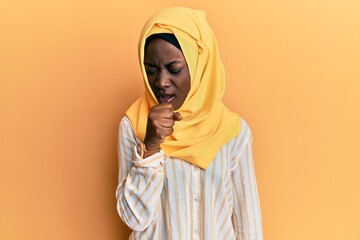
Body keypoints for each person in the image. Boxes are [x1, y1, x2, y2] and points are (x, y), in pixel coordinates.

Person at [116, 6, 263, 240]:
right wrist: (151, 145)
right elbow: (134, 219)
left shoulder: (234, 133)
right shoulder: (133, 125)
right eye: (151, 70)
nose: (161, 82)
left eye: (174, 69)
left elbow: (248, 224)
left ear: (199, 66)